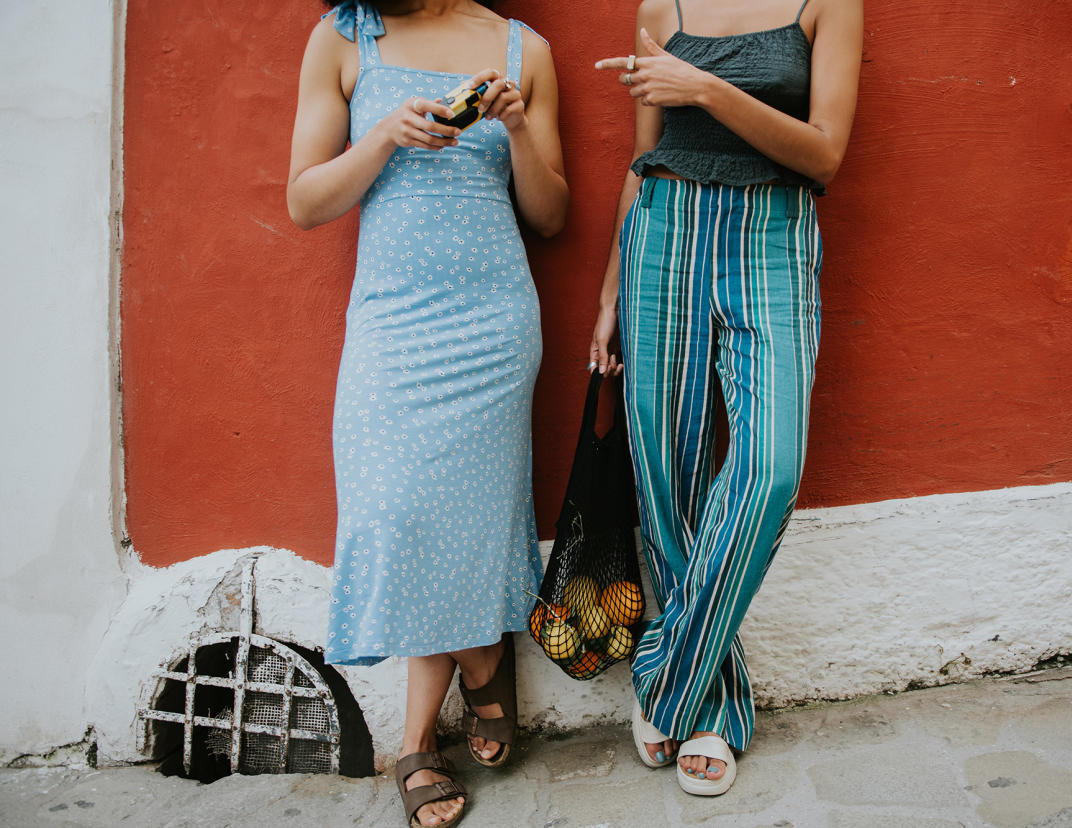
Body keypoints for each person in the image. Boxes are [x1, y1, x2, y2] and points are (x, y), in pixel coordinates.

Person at [288, 0, 567, 825]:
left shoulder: (525, 50)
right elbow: (306, 200)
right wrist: (382, 138)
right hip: (392, 321)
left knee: (470, 521)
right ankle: (484, 658)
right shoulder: (344, 38)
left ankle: (414, 744)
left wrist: (515, 126)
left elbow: (551, 214)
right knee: (396, 514)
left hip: (492, 321)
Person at [589, 0, 861, 797]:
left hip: (773, 232)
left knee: (771, 465)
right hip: (663, 231)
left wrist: (703, 87)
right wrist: (609, 291)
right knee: (666, 479)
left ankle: (667, 676)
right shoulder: (659, 5)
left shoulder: (829, 5)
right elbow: (642, 162)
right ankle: (712, 709)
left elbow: (824, 156)